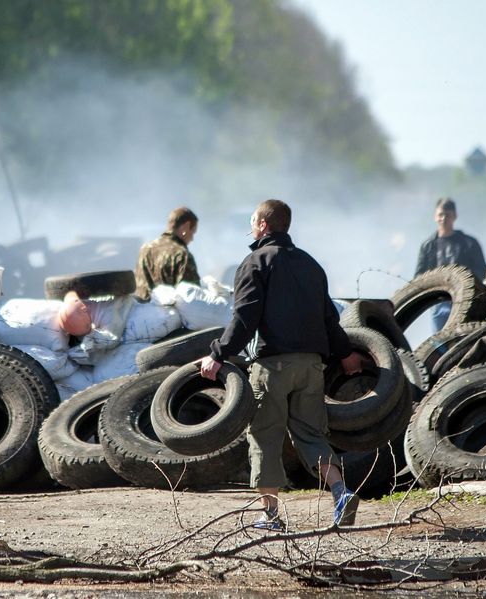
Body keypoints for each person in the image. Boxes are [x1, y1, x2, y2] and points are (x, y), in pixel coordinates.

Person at [201, 199, 363, 530]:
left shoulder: (255, 262)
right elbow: (329, 318)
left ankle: (271, 515)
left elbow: (244, 318)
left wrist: (218, 354)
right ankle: (340, 492)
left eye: (252, 221)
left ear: (262, 225)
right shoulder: (310, 264)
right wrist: (345, 353)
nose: (251, 227)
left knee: (264, 436)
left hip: (272, 365)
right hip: (312, 366)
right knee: (311, 434)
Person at [415, 197, 486, 331]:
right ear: (435, 217)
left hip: (465, 300)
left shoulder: (469, 243)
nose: (443, 218)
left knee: (462, 337)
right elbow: (419, 276)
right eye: (440, 215)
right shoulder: (428, 246)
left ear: (454, 216)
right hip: (438, 302)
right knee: (439, 339)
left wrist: (467, 285)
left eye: (447, 215)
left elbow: (481, 270)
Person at [133, 206, 201, 300]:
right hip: (167, 309)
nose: (192, 238)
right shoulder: (182, 255)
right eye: (192, 232)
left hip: (139, 308)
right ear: (186, 227)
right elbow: (192, 298)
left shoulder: (145, 249)